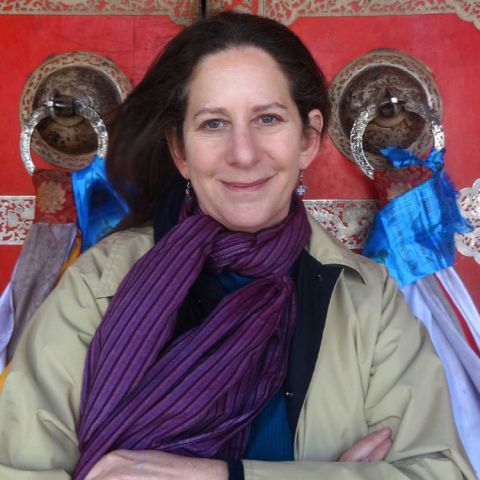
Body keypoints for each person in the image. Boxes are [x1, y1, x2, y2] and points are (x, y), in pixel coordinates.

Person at [0, 11, 474, 480]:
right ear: (180, 150)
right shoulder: (98, 285)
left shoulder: (369, 299)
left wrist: (218, 475)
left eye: (267, 118)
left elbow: (436, 473)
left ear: (308, 139)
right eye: (213, 124)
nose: (243, 154)